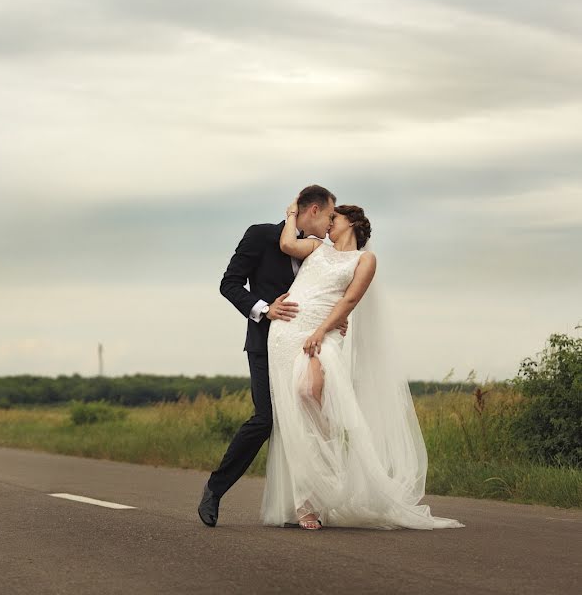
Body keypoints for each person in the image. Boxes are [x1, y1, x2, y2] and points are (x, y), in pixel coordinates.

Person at [260, 200, 464, 530]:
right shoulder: (315, 248)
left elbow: (350, 299)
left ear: (352, 223)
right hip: (286, 332)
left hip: (322, 333)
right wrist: (291, 214)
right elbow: (286, 243)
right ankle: (307, 502)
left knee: (309, 393)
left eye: (334, 218)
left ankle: (325, 486)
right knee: (295, 415)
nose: (327, 223)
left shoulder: (364, 260)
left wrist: (322, 330)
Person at [198, 185, 345, 527]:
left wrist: (338, 322)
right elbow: (229, 283)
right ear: (311, 211)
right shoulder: (260, 236)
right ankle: (214, 489)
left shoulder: (318, 252)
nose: (329, 224)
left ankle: (309, 504)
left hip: (306, 347)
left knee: (309, 421)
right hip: (265, 344)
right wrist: (265, 309)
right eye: (328, 215)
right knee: (265, 419)